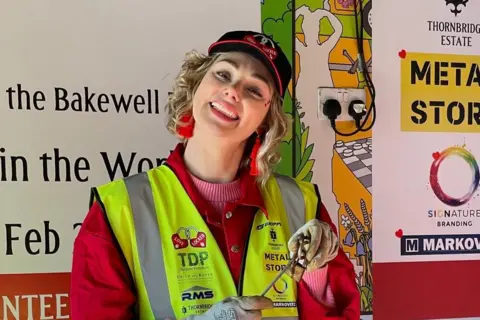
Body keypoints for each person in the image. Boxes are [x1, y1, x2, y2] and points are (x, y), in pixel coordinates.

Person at [70, 30, 360, 320]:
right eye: (223, 74)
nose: (233, 91)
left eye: (254, 90)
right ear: (194, 86)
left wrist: (317, 278)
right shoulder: (117, 211)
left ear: (266, 119)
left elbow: (340, 313)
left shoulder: (303, 205)